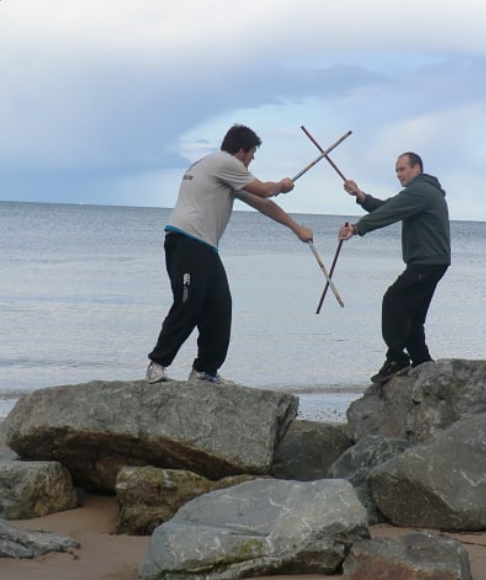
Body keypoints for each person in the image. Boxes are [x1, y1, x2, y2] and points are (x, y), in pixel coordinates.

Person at [146, 124, 313, 385]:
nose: (251, 163)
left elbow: (262, 203)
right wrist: (283, 184)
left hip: (206, 247)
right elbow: (266, 191)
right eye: (252, 156)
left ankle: (205, 371)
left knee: (220, 308)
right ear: (242, 152)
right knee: (188, 304)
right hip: (186, 241)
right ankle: (157, 364)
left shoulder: (220, 169)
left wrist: (296, 228)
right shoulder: (224, 162)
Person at [339, 152, 451, 385]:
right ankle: (422, 363)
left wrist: (358, 228)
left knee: (393, 301)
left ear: (416, 168)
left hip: (427, 262)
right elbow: (389, 206)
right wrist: (361, 196)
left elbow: (390, 213)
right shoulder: (420, 192)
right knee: (412, 316)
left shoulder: (421, 191)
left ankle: (396, 358)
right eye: (396, 171)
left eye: (402, 169)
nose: (399, 174)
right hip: (432, 262)